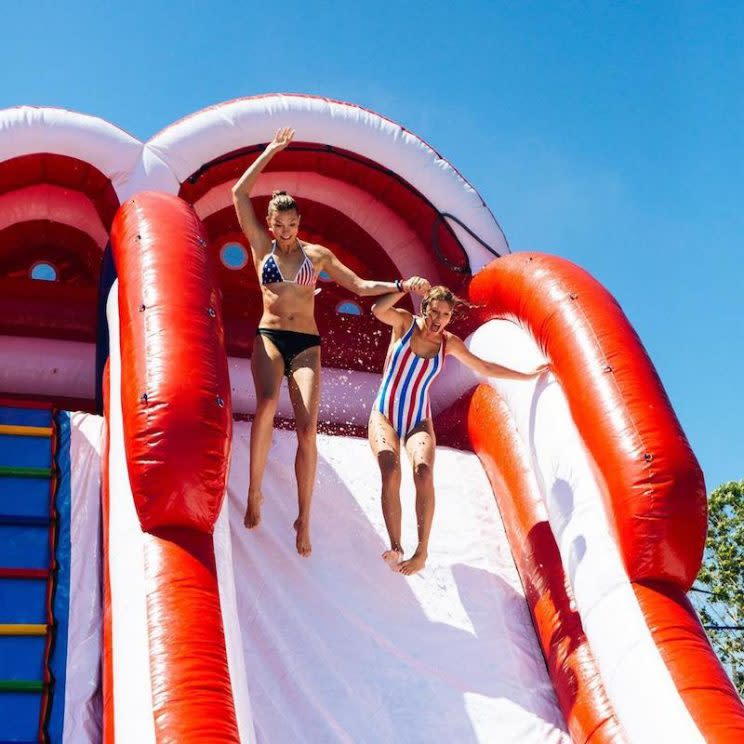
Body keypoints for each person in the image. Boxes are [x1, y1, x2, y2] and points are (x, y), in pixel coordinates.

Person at [232, 127, 429, 557]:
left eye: (292, 223)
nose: (285, 230)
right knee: (266, 403)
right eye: (279, 223)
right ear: (270, 223)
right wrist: (269, 150)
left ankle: (304, 518)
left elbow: (358, 285)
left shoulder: (316, 256)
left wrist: (399, 282)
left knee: (307, 430)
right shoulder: (261, 246)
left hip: (305, 343)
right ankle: (254, 492)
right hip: (269, 335)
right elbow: (238, 193)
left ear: (299, 223)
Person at [369, 285, 549, 575]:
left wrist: (526, 375)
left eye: (446, 314)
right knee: (390, 469)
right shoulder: (403, 322)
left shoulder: (449, 344)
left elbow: (484, 366)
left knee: (423, 472)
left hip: (417, 419)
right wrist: (402, 286)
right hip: (384, 415)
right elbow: (378, 310)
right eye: (435, 311)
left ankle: (421, 552)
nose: (439, 318)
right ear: (424, 307)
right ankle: (396, 545)